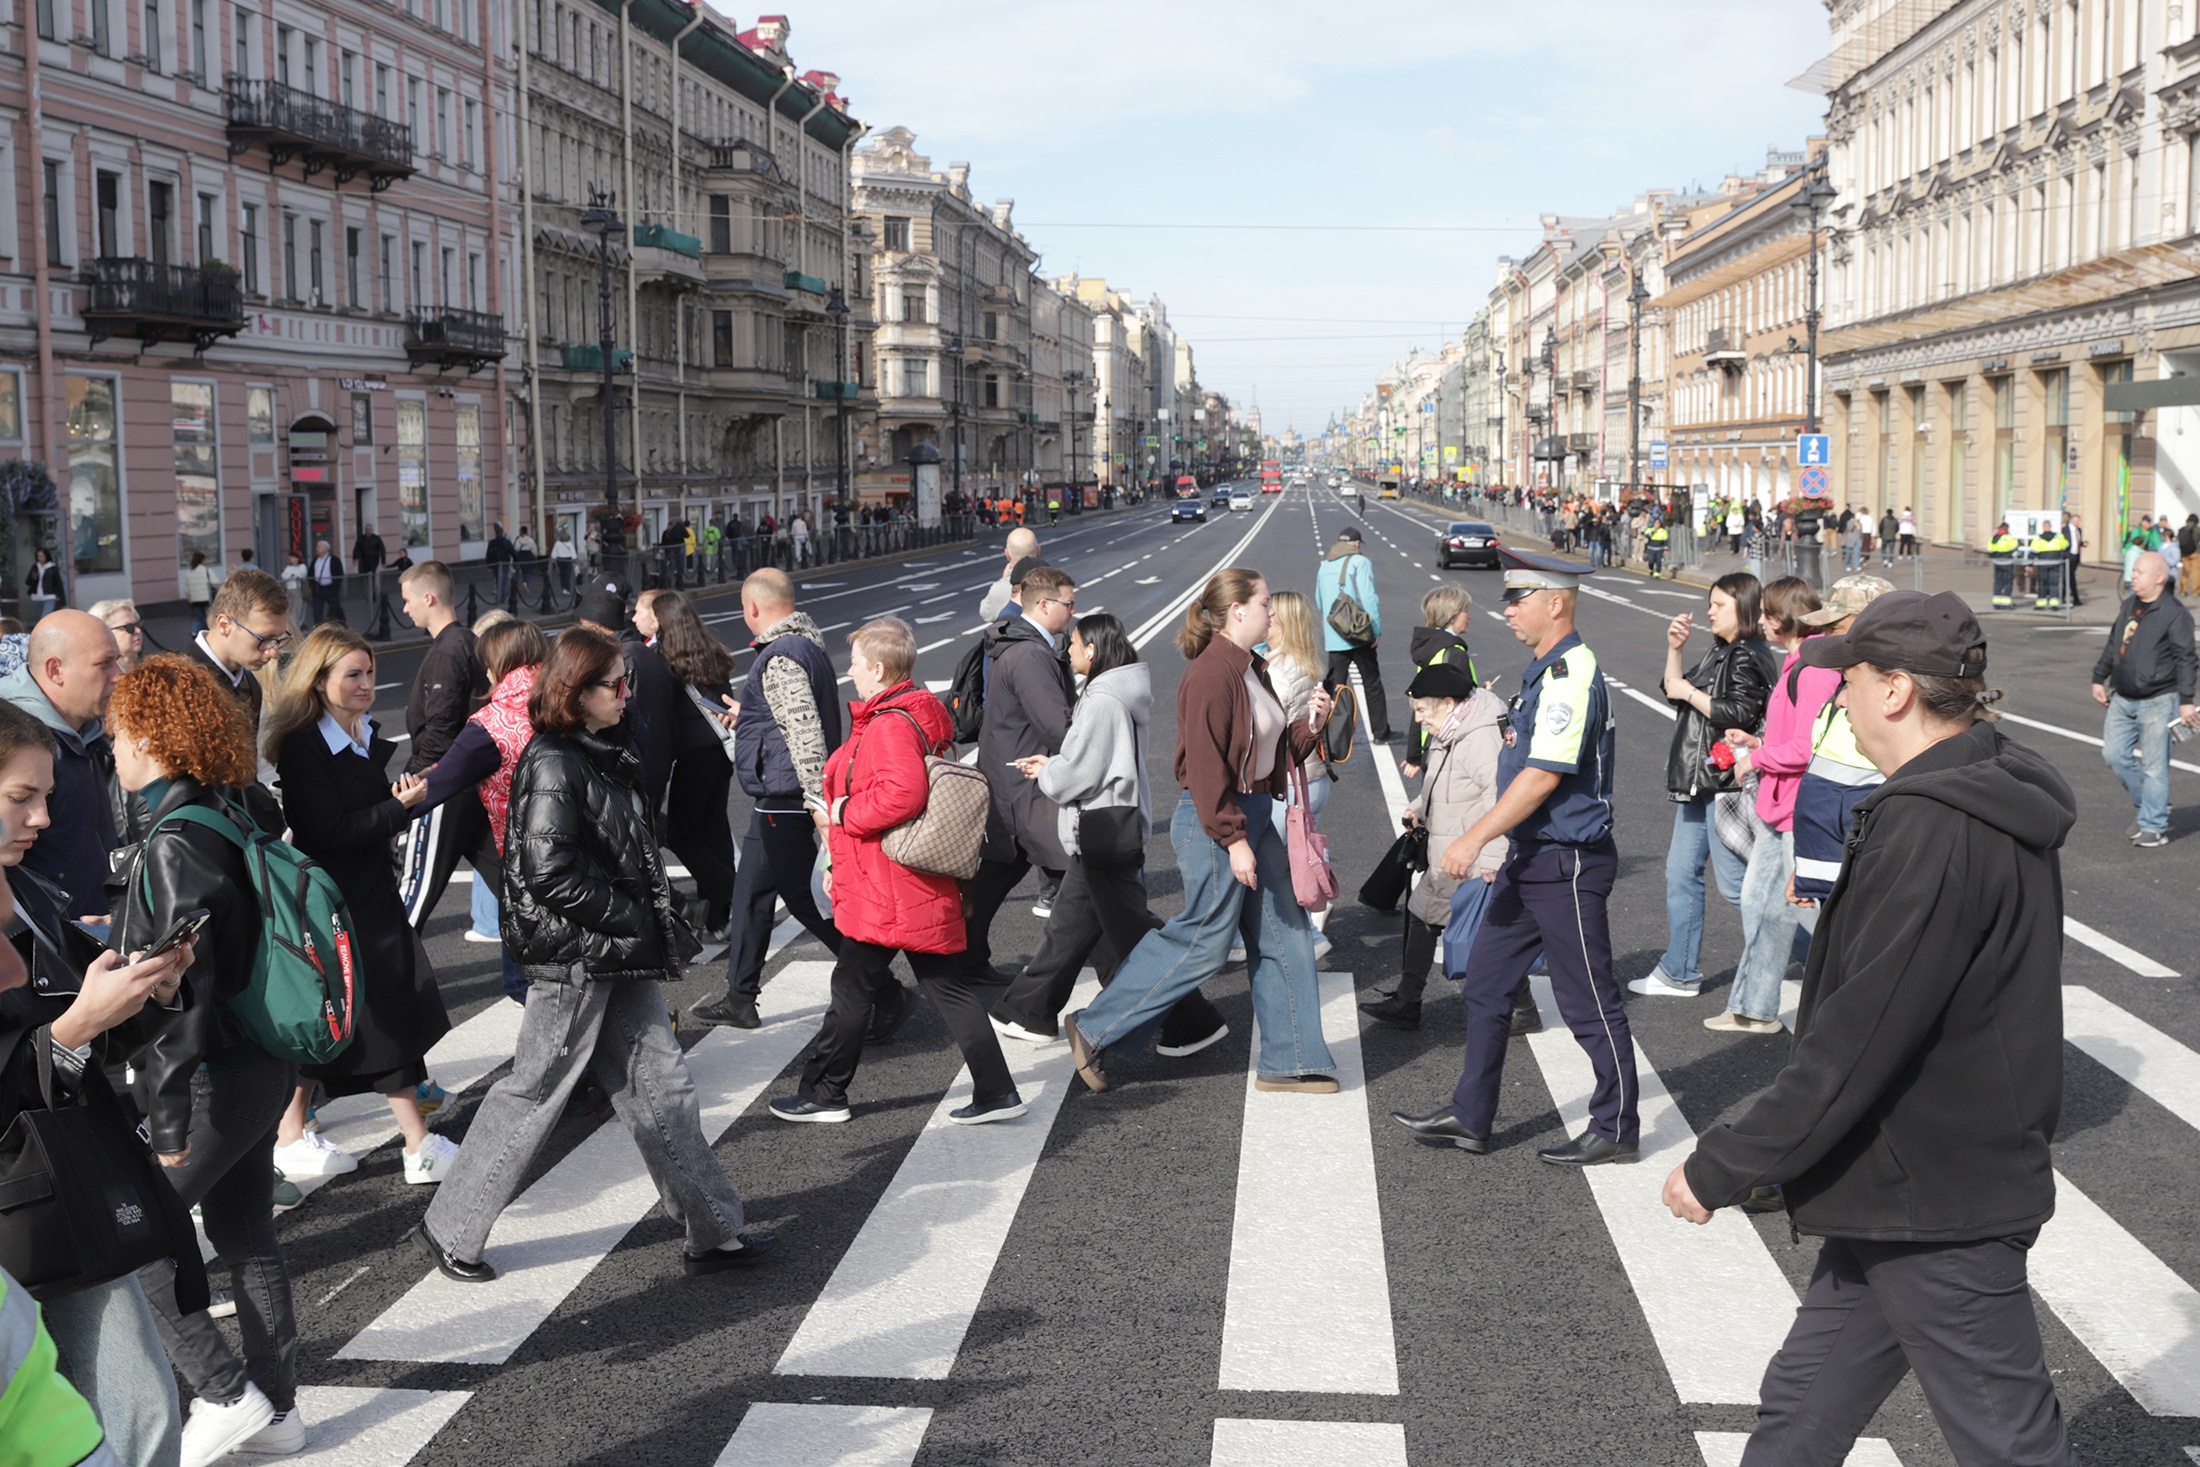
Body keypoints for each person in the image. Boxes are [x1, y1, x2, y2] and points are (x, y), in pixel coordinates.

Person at [1664, 591, 2078, 1467]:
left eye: (1847, 679)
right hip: (1894, 1183)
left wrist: (1724, 1164)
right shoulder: (1976, 780)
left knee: (2010, 1447)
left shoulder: (1936, 827)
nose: (1835, 697)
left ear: (1895, 691)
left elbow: (1860, 1032)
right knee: (1801, 1409)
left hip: (1941, 1198)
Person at [411, 627, 774, 1281]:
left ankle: (713, 1227)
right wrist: (633, 915)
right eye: (614, 684)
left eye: (624, 682)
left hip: (615, 947)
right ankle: (450, 1228)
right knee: (534, 1092)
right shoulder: (553, 759)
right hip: (576, 954)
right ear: (576, 692)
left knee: (662, 1087)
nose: (626, 693)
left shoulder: (603, 746)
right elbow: (546, 871)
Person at [109, 657, 307, 1465]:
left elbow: (182, 995)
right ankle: (280, 1412)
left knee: (136, 1242)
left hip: (216, 1072)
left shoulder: (173, 840)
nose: (113, 748)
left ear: (154, 738)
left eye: (121, 734)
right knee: (244, 1233)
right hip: (263, 1058)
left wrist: (166, 1119)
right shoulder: (227, 809)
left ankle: (227, 1394)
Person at [1391, 548, 1636, 1164]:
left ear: (1556, 603)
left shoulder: (1569, 675)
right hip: (1531, 860)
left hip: (1566, 862)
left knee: (1587, 1000)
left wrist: (1473, 840)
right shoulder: (1541, 670)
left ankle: (1615, 1126)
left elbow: (1540, 777)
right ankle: (1472, 1117)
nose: (1505, 610)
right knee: (1487, 982)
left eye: (1517, 598)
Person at [0, 702, 196, 1467]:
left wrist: (147, 990)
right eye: (21, 797)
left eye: (46, 795)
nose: (44, 817)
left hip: (59, 1195)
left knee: (138, 1405)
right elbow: (55, 1038)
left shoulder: (31, 894)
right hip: (27, 1203)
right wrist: (75, 1028)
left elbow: (78, 1023)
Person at [1062, 568, 1338, 1096]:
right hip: (1219, 819)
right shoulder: (1212, 673)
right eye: (1263, 603)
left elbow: (1271, 755)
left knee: (1287, 933)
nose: (1272, 612)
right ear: (1237, 611)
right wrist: (1234, 839)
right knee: (1205, 942)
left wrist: (1311, 727)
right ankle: (1095, 1025)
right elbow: (1207, 768)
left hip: (1254, 812)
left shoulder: (1250, 667)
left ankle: (1294, 1059)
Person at [772, 619, 1025, 1124]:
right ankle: (997, 1091)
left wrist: (843, 813)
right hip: (906, 879)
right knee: (945, 985)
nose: (851, 673)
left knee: (851, 987)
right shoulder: (911, 712)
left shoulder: (888, 724)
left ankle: (825, 1092)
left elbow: (901, 794)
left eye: (857, 665)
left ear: (880, 669)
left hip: (886, 883)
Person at [266, 625, 455, 1184]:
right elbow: (326, 830)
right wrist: (398, 811)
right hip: (340, 902)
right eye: (353, 674)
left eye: (369, 673)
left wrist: (401, 802)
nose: (367, 684)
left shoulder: (359, 734)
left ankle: (290, 1130)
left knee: (344, 1018)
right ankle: (417, 1144)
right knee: (381, 1016)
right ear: (319, 680)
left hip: (369, 893)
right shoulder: (305, 746)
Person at [987, 613, 1227, 1052]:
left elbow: (1078, 773)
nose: (1069, 650)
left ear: (1093, 650)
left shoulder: (1100, 699)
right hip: (1112, 827)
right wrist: (1053, 766)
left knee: (1126, 934)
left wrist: (1047, 772)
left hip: (1098, 828)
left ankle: (1192, 1019)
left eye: (1075, 644)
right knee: (1078, 930)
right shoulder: (1120, 691)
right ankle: (1031, 1012)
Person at [690, 571, 848, 1030]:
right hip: (778, 796)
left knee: (806, 902)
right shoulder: (805, 646)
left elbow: (805, 735)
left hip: (787, 798)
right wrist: (751, 714)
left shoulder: (779, 658)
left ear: (753, 608)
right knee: (751, 895)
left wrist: (817, 805)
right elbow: (791, 720)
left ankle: (879, 987)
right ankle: (740, 996)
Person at [1630, 573, 1775, 1000]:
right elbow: (1674, 691)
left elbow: (1739, 712)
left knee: (1737, 886)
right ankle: (1679, 971)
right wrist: (1674, 651)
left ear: (1744, 609)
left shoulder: (1747, 655)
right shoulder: (1723, 651)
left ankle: (1819, 951)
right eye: (1710, 604)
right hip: (1703, 781)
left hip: (1725, 782)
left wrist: (1689, 692)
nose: (1710, 611)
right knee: (1680, 872)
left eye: (1719, 605)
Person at [1358, 662, 1507, 1030]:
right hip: (1452, 847)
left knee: (1481, 932)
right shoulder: (1455, 726)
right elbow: (1444, 782)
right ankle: (1409, 1000)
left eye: (1422, 710)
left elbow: (1502, 800)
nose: (1419, 719)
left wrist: (1491, 859)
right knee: (1429, 915)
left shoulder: (1480, 738)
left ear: (1448, 701)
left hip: (1470, 853)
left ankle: (1517, 1007)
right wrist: (1419, 807)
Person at [1714, 577, 1832, 1035]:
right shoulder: (1798, 662)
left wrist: (1756, 757)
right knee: (1760, 904)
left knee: (1803, 910)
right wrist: (1758, 741)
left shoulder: (1814, 668)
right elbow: (1792, 738)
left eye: (1767, 613)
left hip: (1797, 806)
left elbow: (1809, 746)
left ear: (1788, 616)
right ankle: (1753, 1007)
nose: (1760, 620)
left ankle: (1839, 1002)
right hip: (1777, 803)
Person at [418, 618, 548, 1003]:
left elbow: (439, 783)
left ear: (494, 665)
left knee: (526, 983)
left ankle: (570, 1059)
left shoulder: (493, 722)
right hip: (583, 853)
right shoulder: (569, 698)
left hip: (527, 863)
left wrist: (383, 809)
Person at [961, 564, 1079, 984]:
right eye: (1068, 602)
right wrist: (1097, 740)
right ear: (1044, 605)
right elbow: (1056, 725)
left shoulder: (1025, 646)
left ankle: (964, 957)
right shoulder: (1030, 655)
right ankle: (1048, 980)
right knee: (1079, 877)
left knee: (998, 872)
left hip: (1015, 781)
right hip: (1027, 786)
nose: (1073, 610)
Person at [0, 612, 121, 916]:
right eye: (104, 663)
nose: (119, 674)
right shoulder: (17, 742)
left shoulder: (90, 732)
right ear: (55, 670)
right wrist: (62, 934)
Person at [394, 562, 491, 929]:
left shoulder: (447, 652)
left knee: (411, 898)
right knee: (509, 886)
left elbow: (439, 731)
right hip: (473, 781)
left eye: (407, 600)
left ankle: (390, 980)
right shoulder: (469, 642)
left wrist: (410, 784)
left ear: (429, 598)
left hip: (442, 786)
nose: (404, 609)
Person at [2092, 550, 2197, 849]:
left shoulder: (2175, 614)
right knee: (2114, 756)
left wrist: (2187, 700)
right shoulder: (2130, 605)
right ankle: (2153, 804)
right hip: (2123, 697)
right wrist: (2098, 677)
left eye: (2139, 572)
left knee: (2154, 766)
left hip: (2159, 700)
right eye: (2133, 571)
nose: (2132, 576)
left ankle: (2153, 824)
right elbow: (2115, 644)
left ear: (2160, 578)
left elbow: (2187, 659)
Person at [649, 591, 739, 941]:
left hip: (691, 754)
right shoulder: (710, 648)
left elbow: (669, 715)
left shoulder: (664, 658)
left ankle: (734, 892)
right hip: (720, 748)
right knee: (714, 829)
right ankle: (720, 918)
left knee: (684, 833)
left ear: (661, 622)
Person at [1260, 590, 1336, 957]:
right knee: (1297, 858)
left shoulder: (1277, 670)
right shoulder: (1310, 664)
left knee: (1276, 870)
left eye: (1271, 616)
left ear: (1284, 623)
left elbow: (1267, 730)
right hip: (1314, 778)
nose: (1265, 620)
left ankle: (1308, 937)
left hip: (1287, 783)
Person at [1314, 525, 1393, 741]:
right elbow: (1368, 599)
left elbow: (1320, 602)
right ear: (1357, 544)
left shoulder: (1325, 566)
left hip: (1334, 637)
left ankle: (1328, 735)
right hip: (1358, 636)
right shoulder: (1361, 563)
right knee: (1372, 683)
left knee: (1334, 688)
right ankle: (1380, 732)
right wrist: (1375, 631)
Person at [189, 568, 290, 732]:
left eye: (278, 639)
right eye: (263, 639)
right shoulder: (173, 682)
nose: (274, 652)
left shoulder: (251, 685)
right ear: (224, 625)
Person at [1401, 585, 1478, 781]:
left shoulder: (1431, 651)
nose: (1469, 616)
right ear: (1452, 617)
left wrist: (1414, 754)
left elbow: (1419, 702)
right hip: (1450, 747)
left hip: (1430, 743)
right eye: (1465, 611)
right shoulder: (1455, 654)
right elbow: (1466, 705)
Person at [979, 528, 1041, 621]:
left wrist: (1004, 580)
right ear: (1038, 551)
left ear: (1007, 554)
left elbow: (986, 613)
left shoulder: (1000, 588)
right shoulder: (1051, 583)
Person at [88, 599, 145, 676]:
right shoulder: (102, 677)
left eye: (138, 625)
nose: (138, 631)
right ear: (105, 633)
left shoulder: (146, 670)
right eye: (129, 627)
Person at [2029, 519, 2067, 609]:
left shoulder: (2038, 538)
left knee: (2042, 583)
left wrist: (2029, 565)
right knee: (2054, 583)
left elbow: (2033, 553)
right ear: (2050, 527)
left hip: (2042, 564)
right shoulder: (2059, 537)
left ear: (2043, 527)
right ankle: (2054, 604)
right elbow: (2066, 547)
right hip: (2055, 563)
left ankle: (2041, 604)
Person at [306, 539, 344, 627]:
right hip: (318, 588)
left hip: (331, 588)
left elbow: (339, 573)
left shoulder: (334, 560)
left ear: (325, 549)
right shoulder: (315, 560)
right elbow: (311, 572)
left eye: (319, 547)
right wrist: (312, 584)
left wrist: (336, 586)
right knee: (317, 609)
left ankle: (340, 624)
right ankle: (318, 627)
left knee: (334, 608)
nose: (316, 549)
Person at [23, 548, 62, 620]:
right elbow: (27, 581)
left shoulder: (52, 568)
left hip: (49, 596)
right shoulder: (35, 567)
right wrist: (34, 577)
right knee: (40, 619)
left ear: (46, 556)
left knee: (45, 617)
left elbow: (59, 584)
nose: (40, 558)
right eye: (38, 556)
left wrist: (63, 601)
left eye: (42, 556)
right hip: (36, 597)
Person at [1987, 522, 2019, 608]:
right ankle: (2006, 603)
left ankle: (1996, 603)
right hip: (2007, 562)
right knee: (2007, 582)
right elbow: (2015, 548)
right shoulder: (2009, 538)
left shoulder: (1994, 538)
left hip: (1997, 563)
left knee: (1998, 582)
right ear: (2006, 529)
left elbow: (1990, 551)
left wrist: (1995, 557)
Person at [185, 551, 216, 633]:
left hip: (195, 600)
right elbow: (215, 583)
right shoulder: (207, 570)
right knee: (208, 618)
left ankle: (194, 633)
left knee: (198, 618)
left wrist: (189, 600)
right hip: (206, 599)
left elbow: (187, 589)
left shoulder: (189, 573)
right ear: (202, 560)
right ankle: (207, 634)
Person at [549, 526, 577, 597]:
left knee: (562, 574)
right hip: (568, 560)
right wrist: (575, 560)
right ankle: (567, 588)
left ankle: (563, 588)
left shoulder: (557, 544)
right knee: (567, 575)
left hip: (560, 560)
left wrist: (553, 560)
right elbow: (573, 554)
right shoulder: (570, 544)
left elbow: (554, 553)